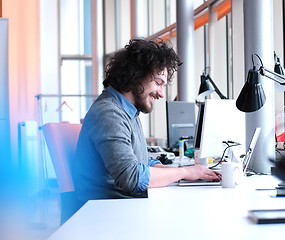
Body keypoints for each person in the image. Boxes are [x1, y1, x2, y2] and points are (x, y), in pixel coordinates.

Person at [73, 38, 221, 202]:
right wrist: (184, 172)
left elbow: (141, 162)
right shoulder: (109, 114)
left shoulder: (127, 111)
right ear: (135, 75)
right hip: (107, 211)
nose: (161, 93)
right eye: (158, 83)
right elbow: (132, 178)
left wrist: (189, 171)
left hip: (120, 204)